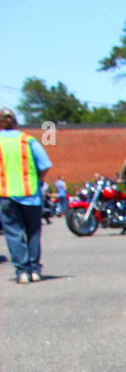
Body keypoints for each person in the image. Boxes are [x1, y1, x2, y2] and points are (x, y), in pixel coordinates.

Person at [0, 107, 53, 283]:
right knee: (33, 232)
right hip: (31, 194)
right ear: (15, 121)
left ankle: (22, 271)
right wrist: (37, 179)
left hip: (6, 195)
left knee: (14, 233)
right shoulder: (28, 141)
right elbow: (45, 165)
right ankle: (35, 269)